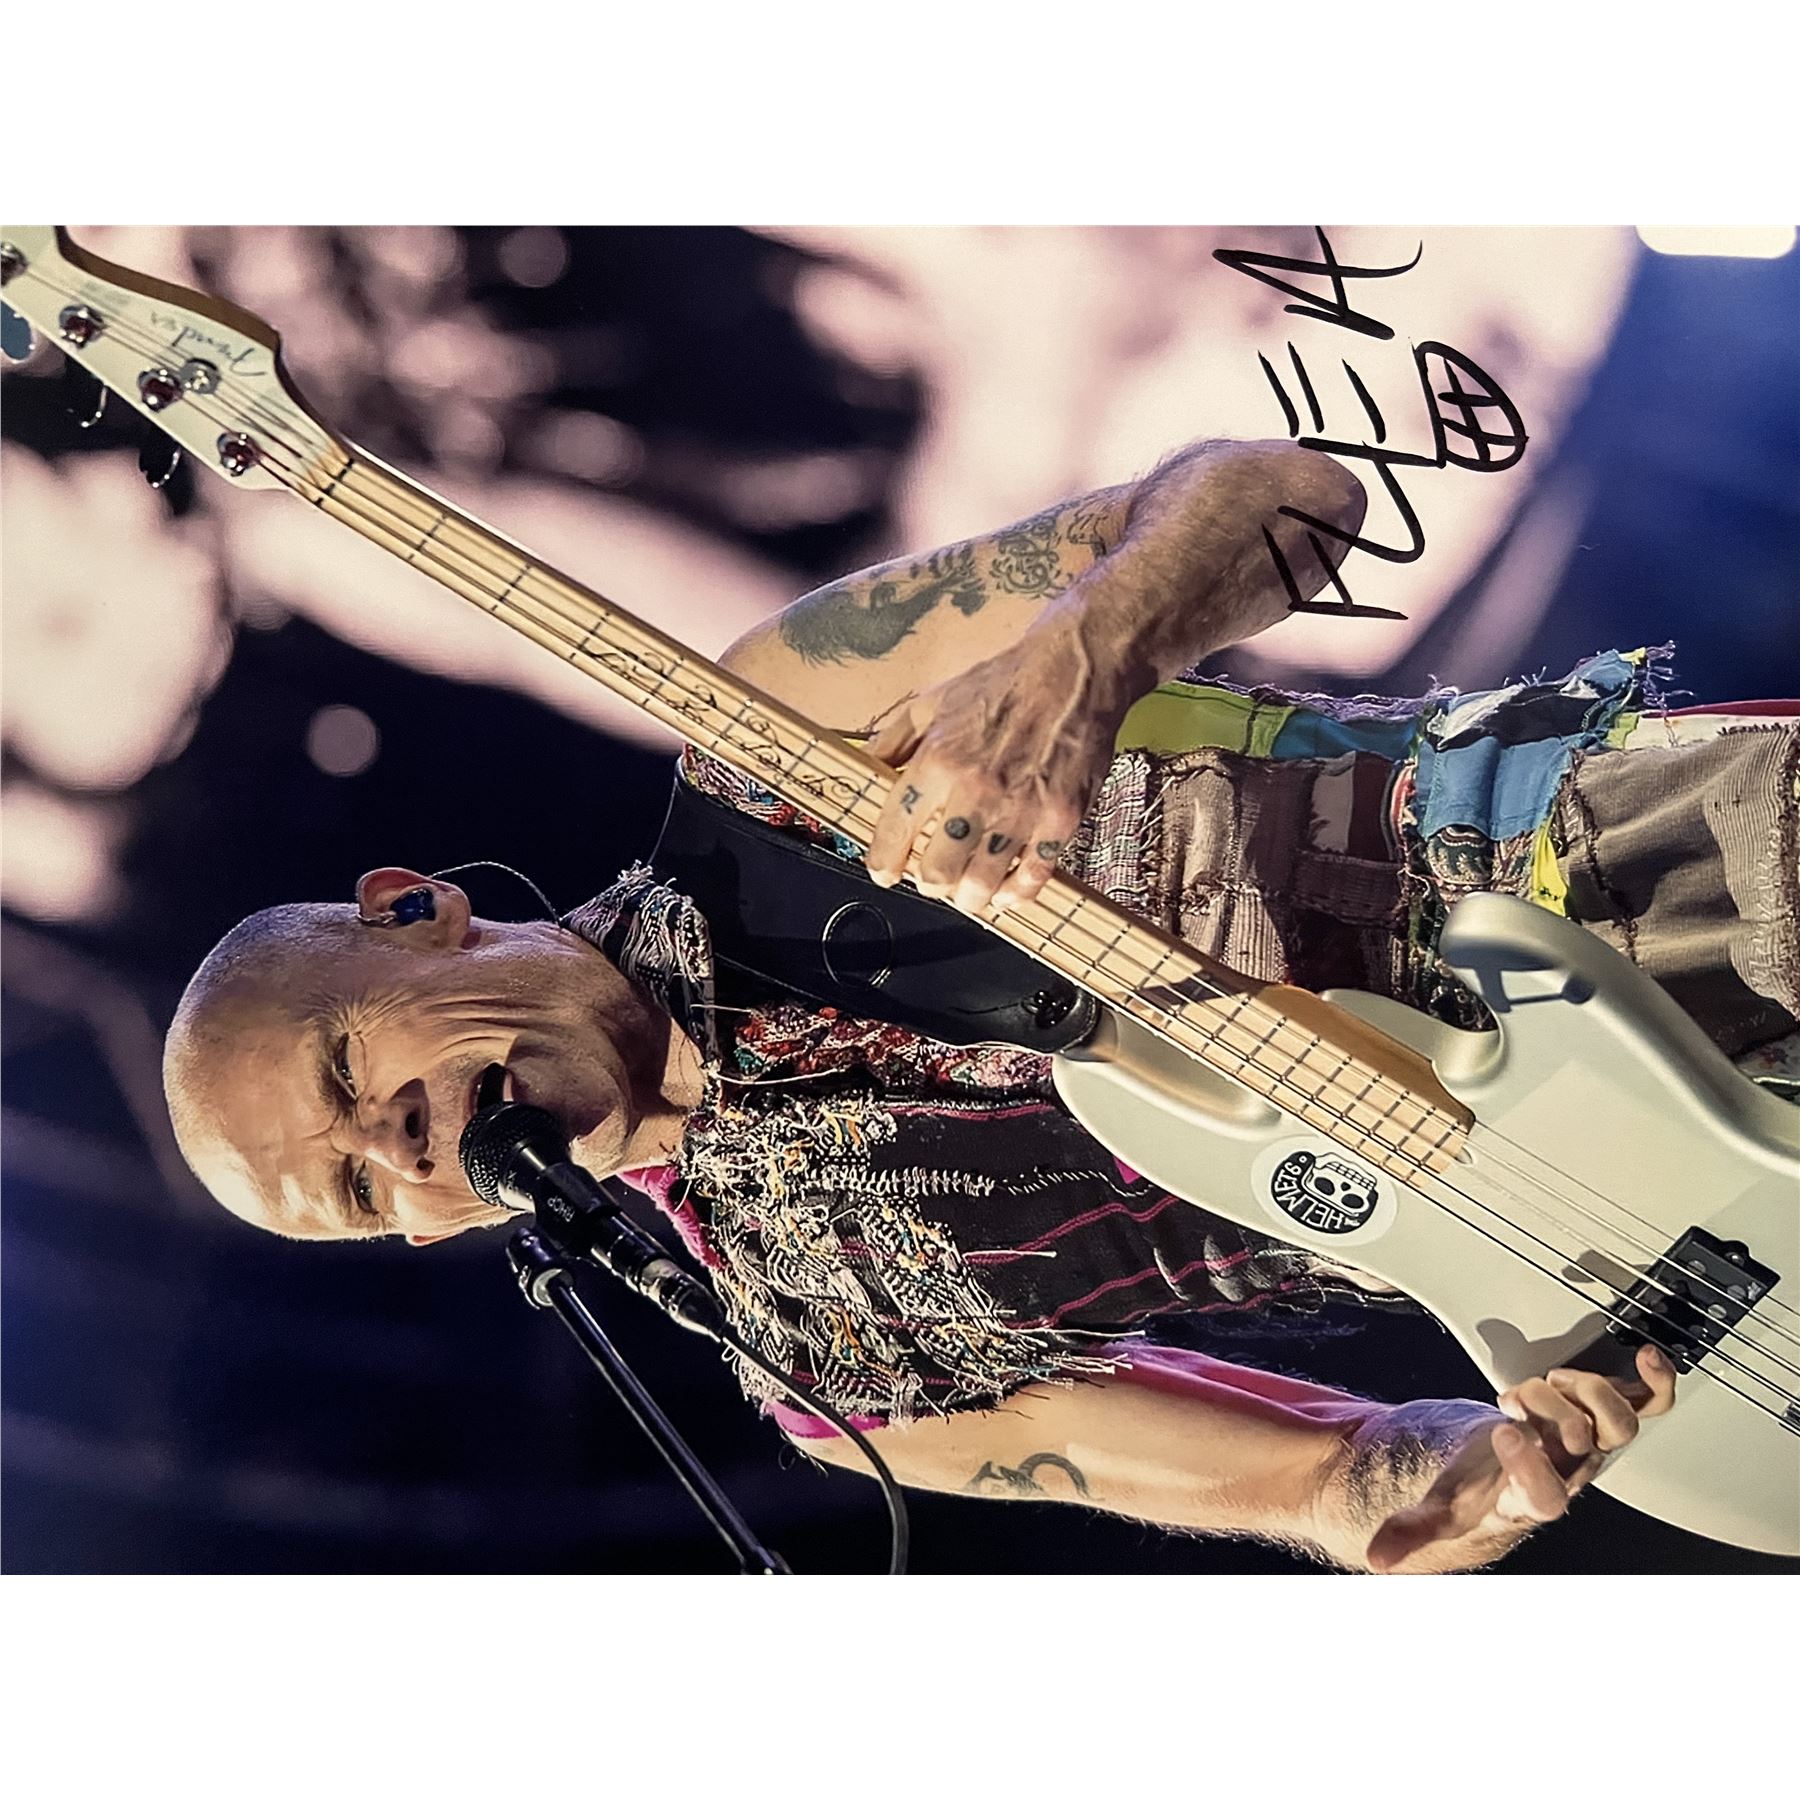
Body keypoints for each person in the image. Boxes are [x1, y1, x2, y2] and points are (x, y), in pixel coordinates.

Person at [163, 438, 1797, 1573]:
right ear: (428, 1236)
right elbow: (1348, 1486)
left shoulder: (783, 746)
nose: (399, 1146)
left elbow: (1288, 499)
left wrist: (1082, 657)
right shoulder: (841, 1375)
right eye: (362, 1191)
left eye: (345, 1071)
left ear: (416, 913)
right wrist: (1497, 1479)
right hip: (1672, 1242)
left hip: (1642, 868)